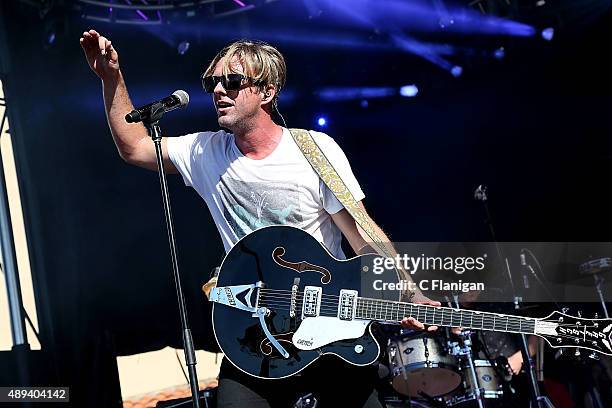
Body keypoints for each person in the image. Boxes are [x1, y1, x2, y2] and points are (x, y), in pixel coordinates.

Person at [80, 29, 440, 407]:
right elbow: (135, 146)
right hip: (255, 333)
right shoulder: (205, 151)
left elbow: (363, 234)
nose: (219, 90)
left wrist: (408, 290)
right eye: (212, 81)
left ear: (267, 92)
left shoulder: (314, 150)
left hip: (329, 328)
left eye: (233, 82)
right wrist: (111, 78)